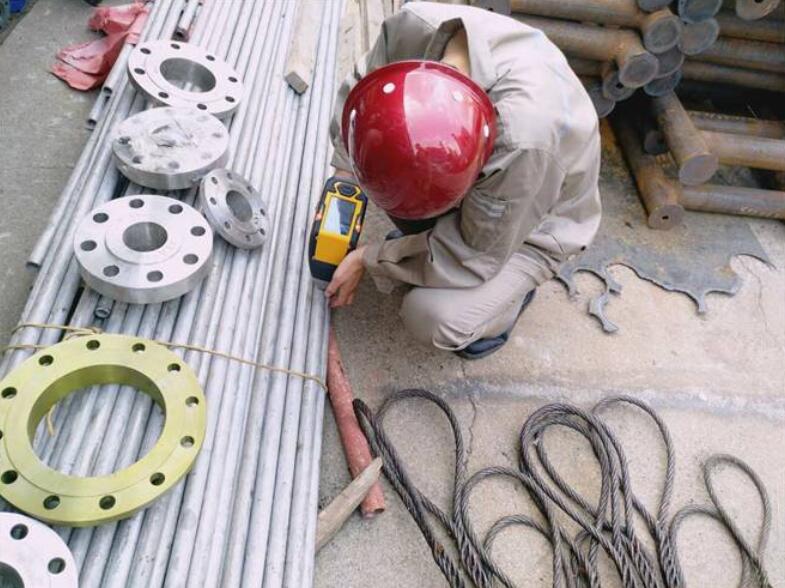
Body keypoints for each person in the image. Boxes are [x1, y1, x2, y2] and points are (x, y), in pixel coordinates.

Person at [325, 1, 601, 359]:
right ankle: (428, 239)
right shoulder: (412, 28)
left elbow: (470, 254)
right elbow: (359, 96)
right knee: (403, 199)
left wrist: (370, 258)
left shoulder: (523, 141)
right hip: (495, 178)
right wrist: (345, 179)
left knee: (432, 317)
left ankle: (505, 304)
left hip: (531, 225)